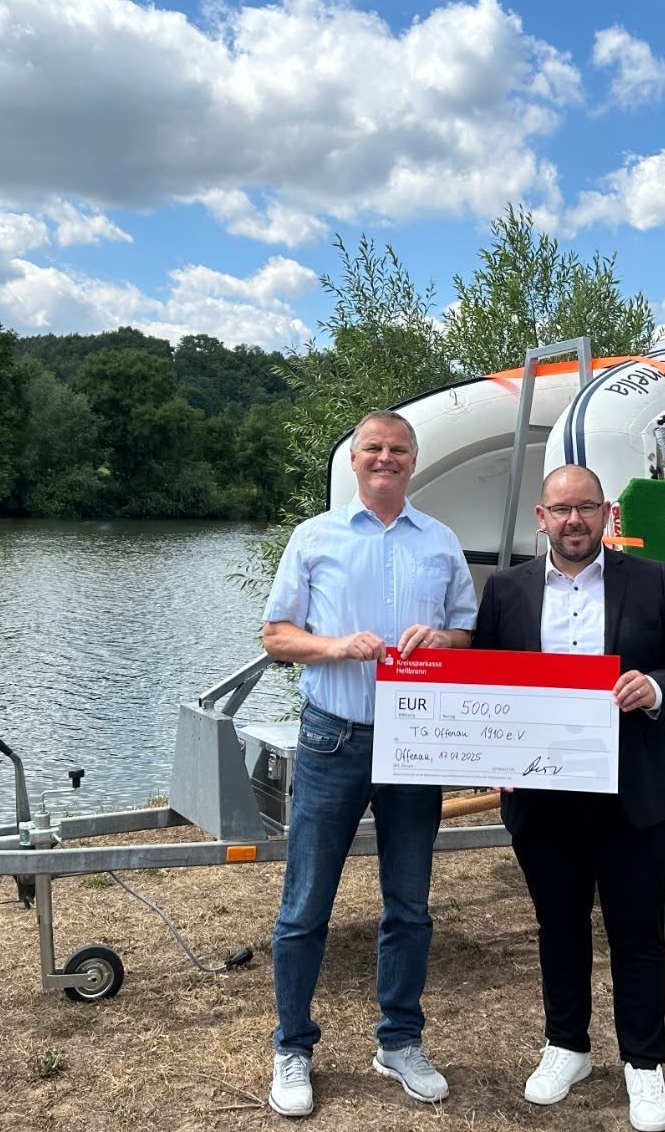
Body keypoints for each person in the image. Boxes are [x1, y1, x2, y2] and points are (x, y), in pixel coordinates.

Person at [473, 464, 665, 1132]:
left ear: (606, 514)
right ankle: (567, 1046)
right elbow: (485, 683)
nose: (573, 520)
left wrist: (654, 688)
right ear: (541, 518)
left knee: (638, 933)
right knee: (559, 927)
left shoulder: (650, 579)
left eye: (585, 508)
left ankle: (644, 1063)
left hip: (630, 793)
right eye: (561, 509)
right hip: (543, 797)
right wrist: (492, 755)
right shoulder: (508, 589)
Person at [261, 409, 477, 1118]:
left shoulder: (440, 541)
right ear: (354, 460)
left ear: (414, 461)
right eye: (373, 449)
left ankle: (400, 1043)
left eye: (399, 450)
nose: (386, 459)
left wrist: (442, 640)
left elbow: (467, 634)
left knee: (409, 905)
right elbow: (276, 636)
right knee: (305, 905)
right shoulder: (314, 536)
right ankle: (293, 1047)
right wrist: (334, 646)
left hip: (415, 741)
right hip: (334, 738)